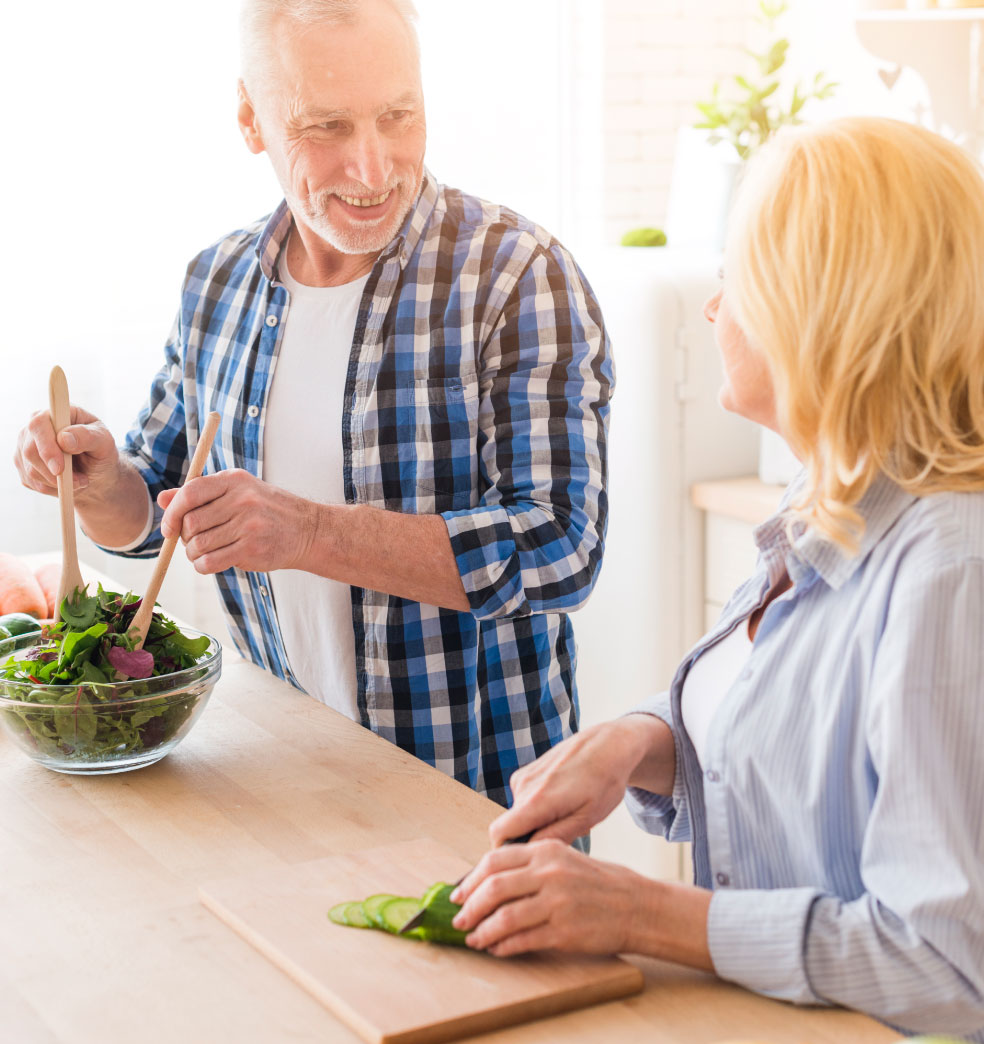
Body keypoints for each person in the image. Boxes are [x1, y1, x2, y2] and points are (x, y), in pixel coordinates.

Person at [449, 117, 984, 1042]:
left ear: (816, 308)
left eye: (736, 278)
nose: (713, 308)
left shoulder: (949, 570)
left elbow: (948, 967)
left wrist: (641, 914)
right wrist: (637, 738)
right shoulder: (838, 497)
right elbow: (796, 724)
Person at [12, 0, 612, 806]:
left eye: (398, 115)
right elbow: (154, 515)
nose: (373, 168)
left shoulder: (515, 274)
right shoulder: (216, 283)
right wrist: (98, 482)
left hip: (480, 799)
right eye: (325, 128)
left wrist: (309, 532)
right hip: (287, 785)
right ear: (251, 120)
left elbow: (561, 549)